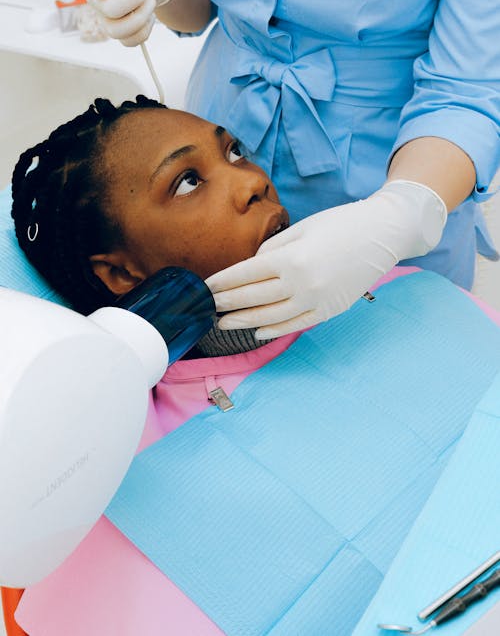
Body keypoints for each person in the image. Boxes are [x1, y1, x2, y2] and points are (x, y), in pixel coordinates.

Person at [7, 97, 500, 636]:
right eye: (187, 182)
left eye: (235, 151)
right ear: (121, 273)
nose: (252, 182)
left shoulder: (406, 295)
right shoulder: (121, 477)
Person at [79, 0, 500, 340]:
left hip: (397, 175)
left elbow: (466, 90)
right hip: (224, 114)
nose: (254, 183)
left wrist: (396, 218)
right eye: (186, 182)